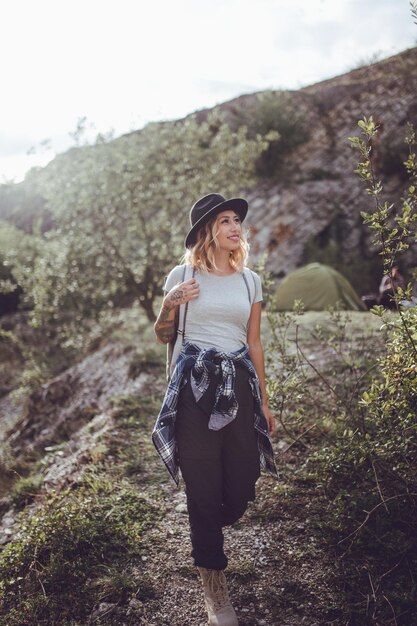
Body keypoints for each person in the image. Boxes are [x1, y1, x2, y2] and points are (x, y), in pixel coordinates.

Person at [152, 192, 278, 626]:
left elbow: (255, 342)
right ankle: (215, 589)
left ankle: (210, 517)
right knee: (202, 488)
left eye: (236, 220)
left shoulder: (250, 281)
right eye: (224, 220)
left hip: (239, 387)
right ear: (208, 231)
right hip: (193, 390)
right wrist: (170, 302)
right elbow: (162, 334)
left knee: (243, 480)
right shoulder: (182, 274)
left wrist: (263, 399)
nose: (234, 226)